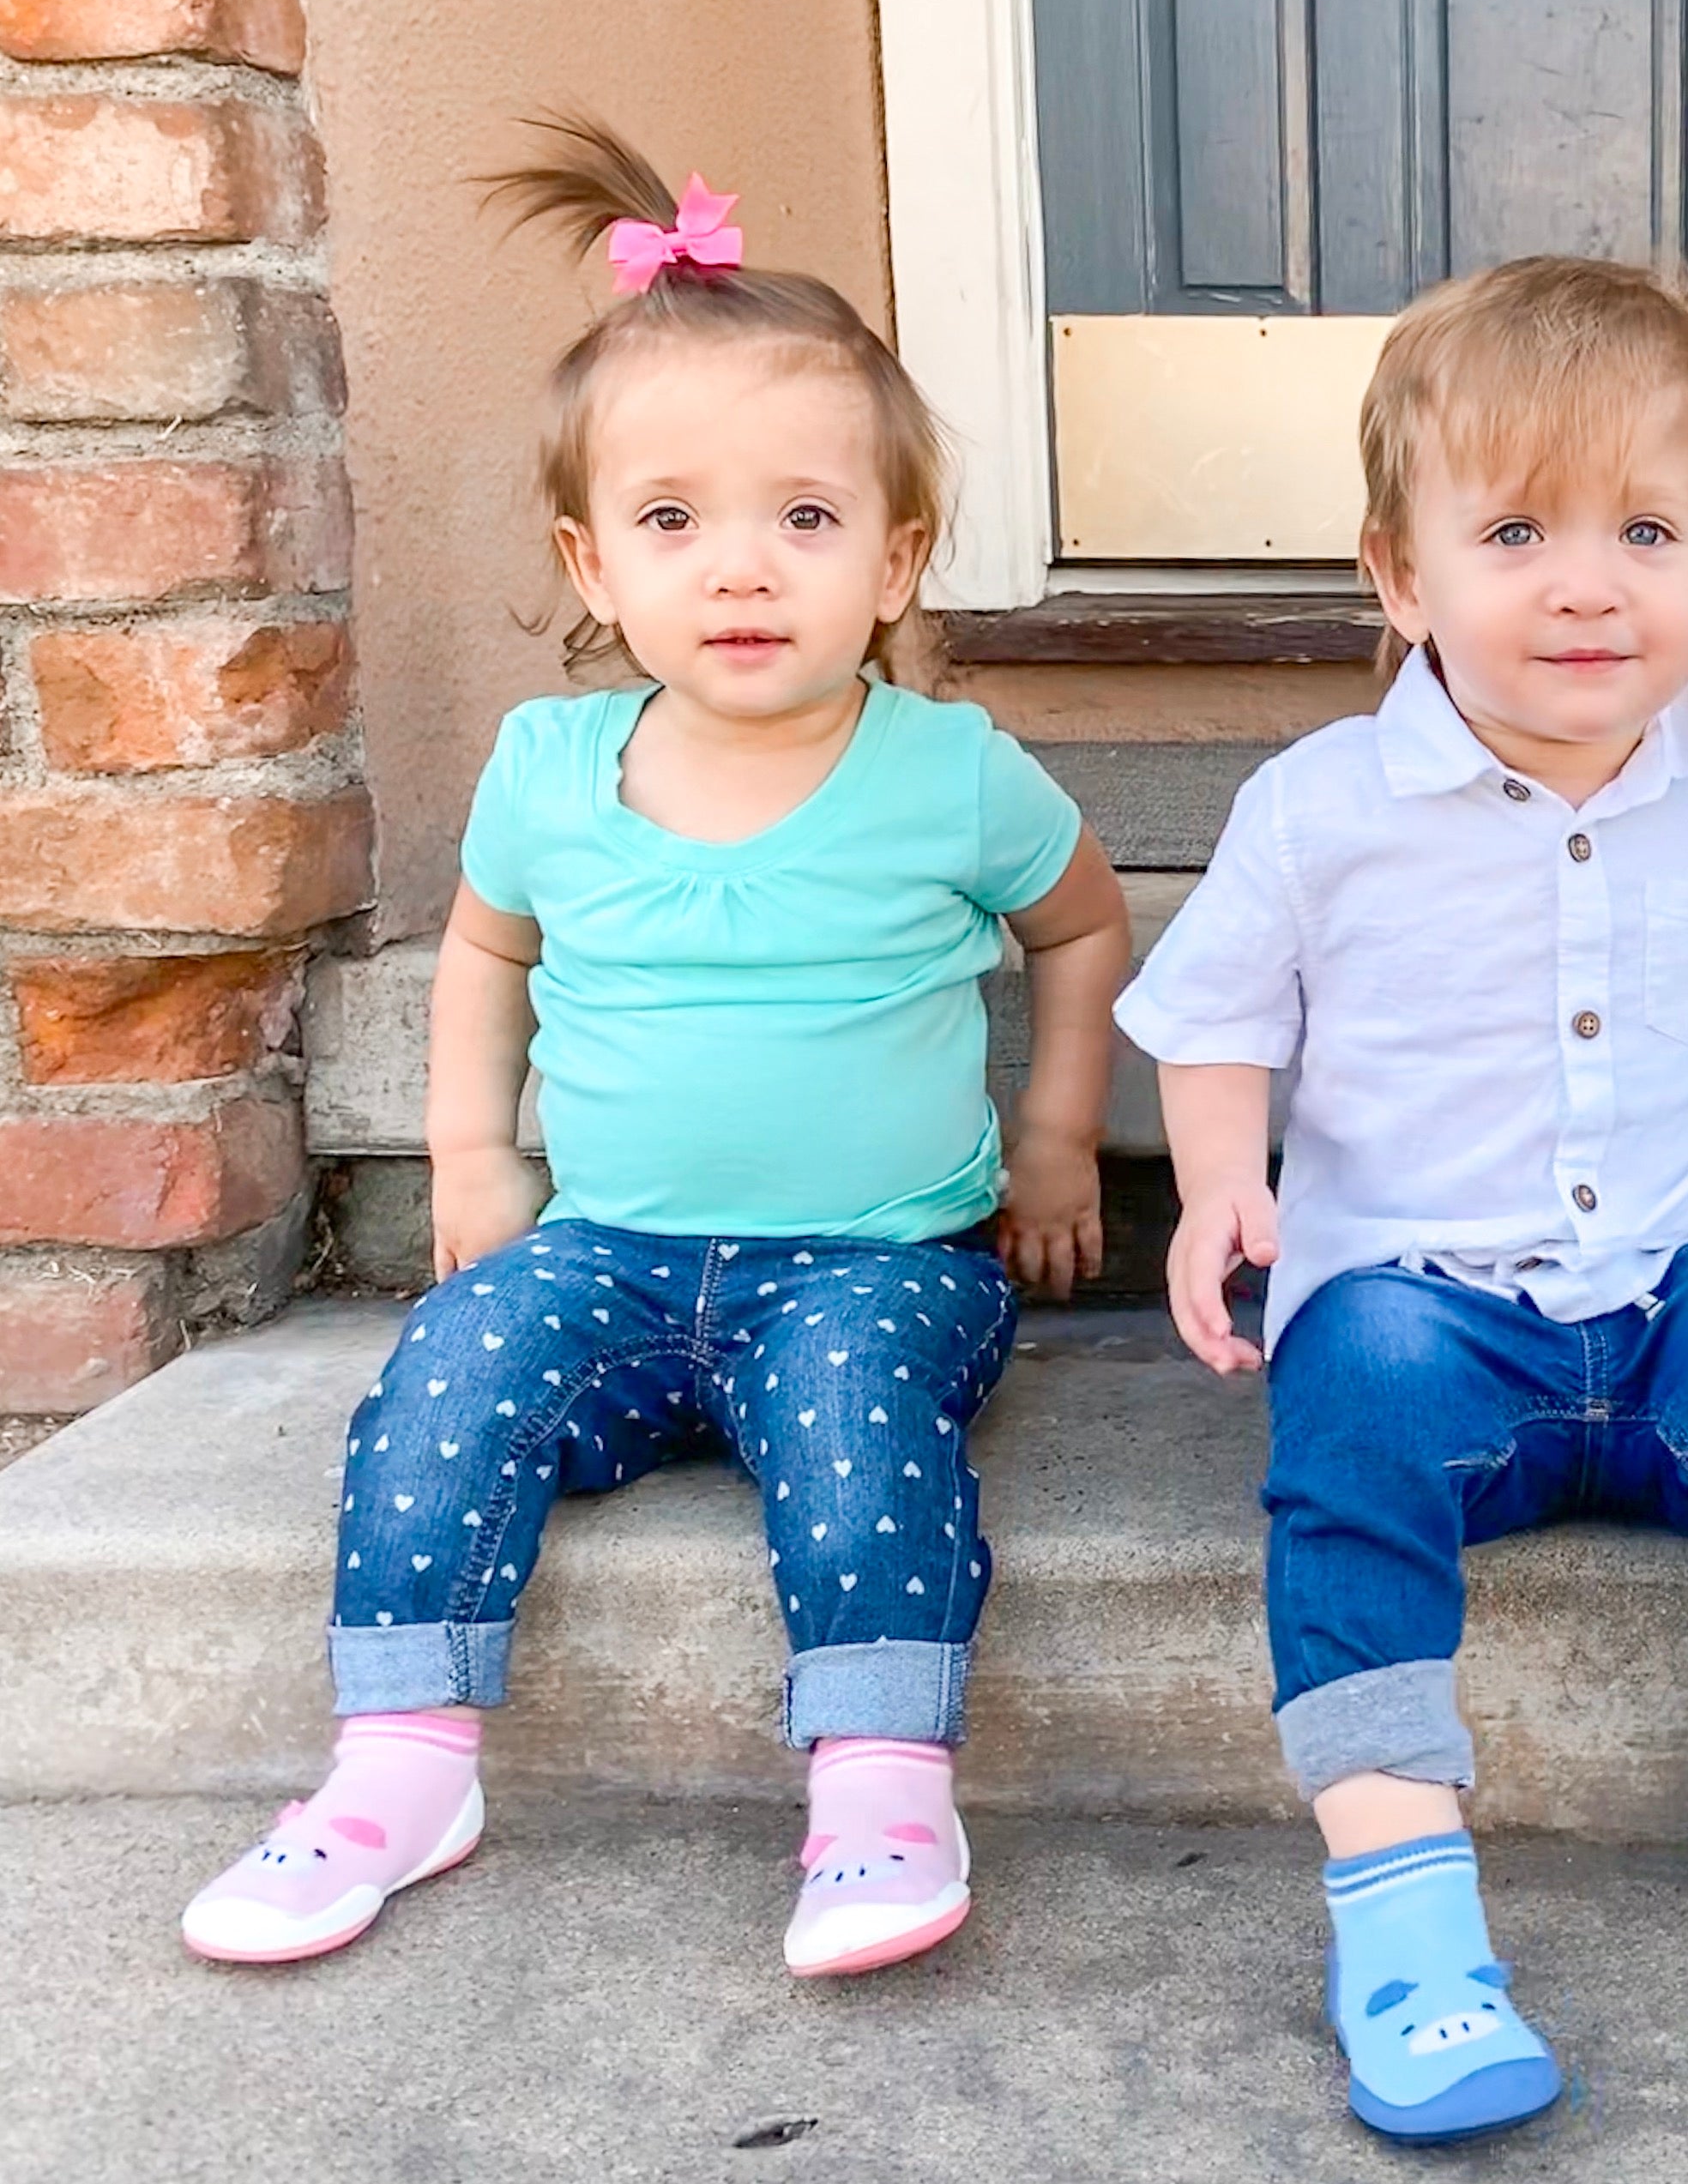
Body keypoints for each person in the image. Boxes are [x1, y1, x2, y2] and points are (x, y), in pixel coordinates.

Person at [182, 117, 1130, 1978]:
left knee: (855, 1427)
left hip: (878, 1264)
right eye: (675, 520)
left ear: (898, 557)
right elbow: (486, 951)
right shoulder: (547, 769)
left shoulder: (950, 772)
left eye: (806, 517)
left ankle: (880, 1786)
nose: (741, 568)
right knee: (447, 1377)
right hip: (606, 1255)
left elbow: (1084, 925)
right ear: (594, 562)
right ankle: (399, 1768)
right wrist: (475, 1154)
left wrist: (1054, 1138)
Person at [1118, 257, 1688, 2143]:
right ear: (1400, 574)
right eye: (1516, 532)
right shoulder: (1320, 807)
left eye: (1645, 532)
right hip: (1429, 1309)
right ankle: (1404, 1921)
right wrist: (1217, 1190)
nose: (1587, 584)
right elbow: (1212, 1018)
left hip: (1674, 1291)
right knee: (1350, 1399)